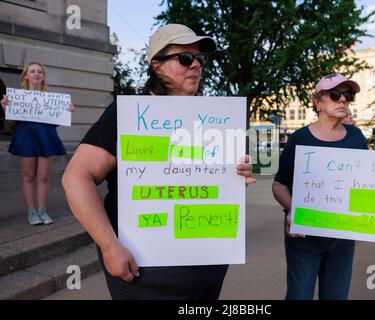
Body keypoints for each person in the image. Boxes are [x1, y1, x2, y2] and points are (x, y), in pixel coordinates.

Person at [61, 24, 255, 300]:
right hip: (146, 272)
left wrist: (235, 176)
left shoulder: (213, 118)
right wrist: (109, 247)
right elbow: (75, 177)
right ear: (156, 65)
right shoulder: (128, 114)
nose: (196, 65)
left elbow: (207, 183)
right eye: (185, 58)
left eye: (200, 59)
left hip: (209, 263)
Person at [272, 73, 368, 300]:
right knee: (299, 294)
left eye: (348, 95)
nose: (343, 100)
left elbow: (367, 182)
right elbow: (279, 185)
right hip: (305, 237)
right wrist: (293, 209)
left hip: (343, 236)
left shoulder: (356, 137)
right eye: (335, 94)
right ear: (317, 102)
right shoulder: (300, 138)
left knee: (336, 295)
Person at [1, 62, 74, 226]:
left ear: (43, 76)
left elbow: (55, 122)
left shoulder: (52, 98)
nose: (36, 74)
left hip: (46, 137)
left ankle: (42, 210)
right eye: (32, 71)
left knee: (44, 177)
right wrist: (6, 108)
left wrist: (65, 112)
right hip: (26, 136)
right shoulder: (17, 97)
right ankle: (31, 212)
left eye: (39, 71)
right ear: (26, 76)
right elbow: (13, 120)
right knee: (28, 176)